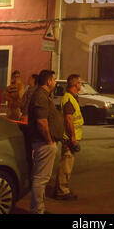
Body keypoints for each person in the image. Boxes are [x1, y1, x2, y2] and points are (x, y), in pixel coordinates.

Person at [28, 69, 63, 214]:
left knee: (42, 179)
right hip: (43, 143)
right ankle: (37, 210)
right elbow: (42, 122)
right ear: (48, 81)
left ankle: (39, 208)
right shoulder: (41, 97)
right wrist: (49, 141)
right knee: (41, 179)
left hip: (44, 142)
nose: (55, 82)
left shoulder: (44, 96)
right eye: (54, 79)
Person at [55, 74, 84, 201]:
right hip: (69, 139)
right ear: (74, 84)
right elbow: (68, 119)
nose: (81, 85)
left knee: (67, 165)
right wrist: (72, 137)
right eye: (79, 82)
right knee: (66, 166)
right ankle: (62, 191)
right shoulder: (68, 99)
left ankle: (62, 189)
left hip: (71, 138)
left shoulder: (72, 97)